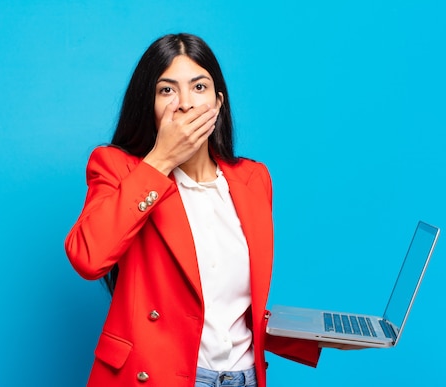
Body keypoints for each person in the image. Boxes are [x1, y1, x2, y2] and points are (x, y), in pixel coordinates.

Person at [65, 33, 322, 387]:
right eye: (167, 90)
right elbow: (88, 257)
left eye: (199, 87)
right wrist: (162, 159)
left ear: (218, 103)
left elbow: (228, 312)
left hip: (244, 377)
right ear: (149, 105)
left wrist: (318, 336)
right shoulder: (120, 169)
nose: (184, 104)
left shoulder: (253, 179)